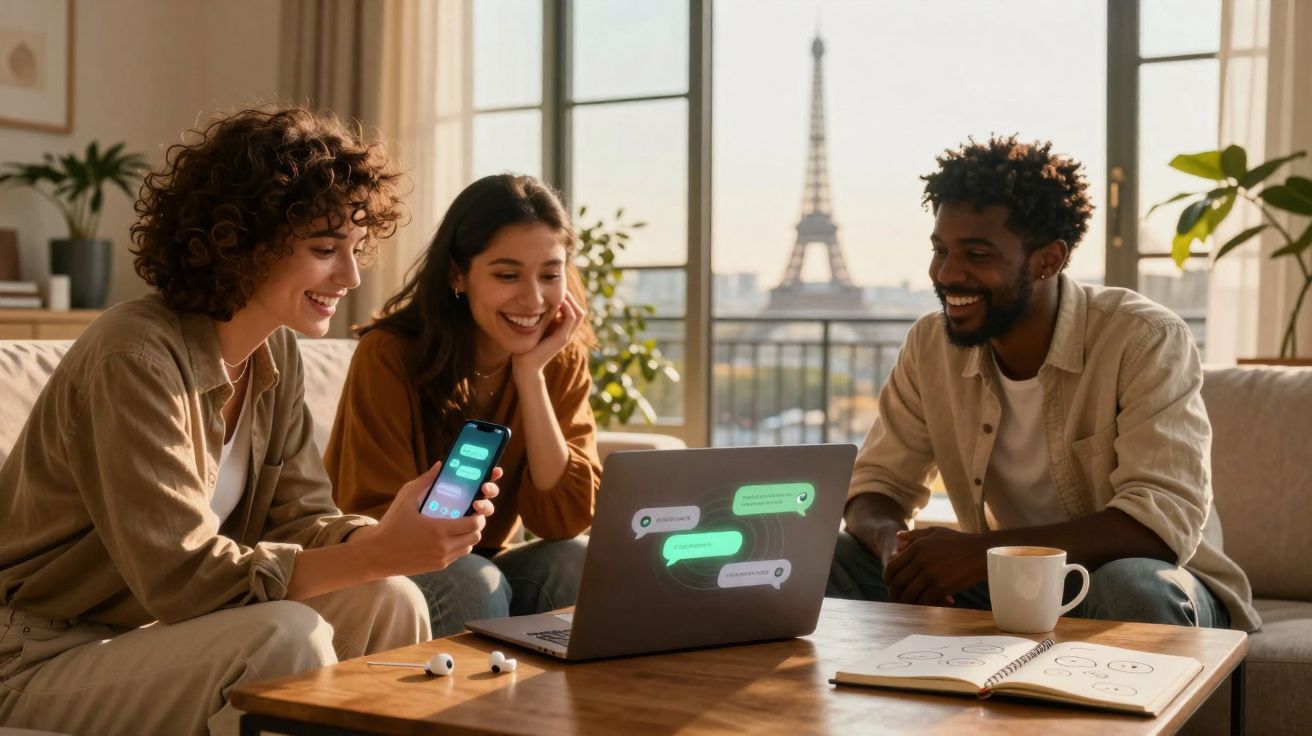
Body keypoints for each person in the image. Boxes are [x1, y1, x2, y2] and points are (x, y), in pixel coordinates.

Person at [0, 108, 501, 736]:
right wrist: (380, 550)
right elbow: (182, 579)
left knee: (390, 598)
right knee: (281, 639)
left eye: (355, 249)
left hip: (159, 637)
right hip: (39, 654)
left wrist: (382, 541)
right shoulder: (132, 356)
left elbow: (298, 518)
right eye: (325, 250)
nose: (350, 277)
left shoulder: (275, 350)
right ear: (242, 244)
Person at [827, 135, 1259, 632]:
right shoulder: (930, 345)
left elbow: (1159, 525)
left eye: (976, 253)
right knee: (830, 558)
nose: (947, 273)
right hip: (1004, 579)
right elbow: (877, 487)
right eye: (941, 250)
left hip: (1155, 579)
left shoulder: (1145, 338)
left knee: (1133, 586)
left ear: (1048, 260)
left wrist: (977, 553)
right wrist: (892, 553)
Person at [325, 173, 602, 637]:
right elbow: (374, 516)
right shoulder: (389, 355)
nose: (533, 299)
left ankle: (561, 710)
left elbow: (564, 520)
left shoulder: (560, 358)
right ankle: (468, 710)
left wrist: (530, 376)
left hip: (482, 561)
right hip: (385, 562)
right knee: (474, 580)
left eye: (550, 275)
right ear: (458, 274)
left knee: (577, 561)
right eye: (507, 274)